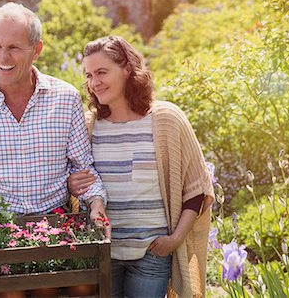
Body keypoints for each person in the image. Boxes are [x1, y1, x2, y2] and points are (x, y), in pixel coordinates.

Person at [0, 2, 109, 235]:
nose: (3, 57)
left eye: (14, 47)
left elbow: (83, 171)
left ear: (37, 49)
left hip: (58, 233)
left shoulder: (65, 99)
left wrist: (96, 204)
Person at [68, 35, 215, 298]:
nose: (94, 83)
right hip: (104, 253)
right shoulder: (88, 125)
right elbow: (76, 176)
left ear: (127, 70)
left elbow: (197, 188)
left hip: (151, 253)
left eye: (102, 72)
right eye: (89, 75)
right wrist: (72, 184)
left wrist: (175, 240)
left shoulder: (166, 119)